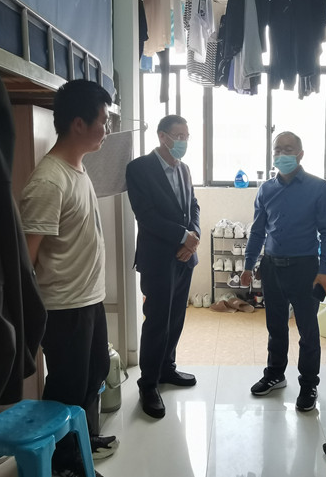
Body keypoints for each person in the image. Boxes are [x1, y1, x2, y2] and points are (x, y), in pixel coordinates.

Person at [20, 79, 118, 477]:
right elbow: (26, 258)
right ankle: (64, 463)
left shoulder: (78, 167)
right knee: (67, 385)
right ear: (79, 124)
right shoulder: (48, 180)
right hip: (63, 305)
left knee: (95, 372)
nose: (107, 129)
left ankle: (83, 440)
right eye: (103, 121)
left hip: (89, 297)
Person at [240, 131, 326, 411]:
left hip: (305, 268)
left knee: (308, 330)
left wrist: (324, 269)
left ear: (300, 154)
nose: (282, 154)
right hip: (271, 267)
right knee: (275, 325)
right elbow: (258, 231)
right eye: (277, 150)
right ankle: (275, 374)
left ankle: (308, 385)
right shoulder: (266, 190)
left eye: (288, 149)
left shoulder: (318, 188)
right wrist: (248, 265)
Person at [125, 114, 201, 420]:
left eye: (186, 136)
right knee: (157, 321)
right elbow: (146, 215)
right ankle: (148, 384)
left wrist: (193, 238)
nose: (183, 141)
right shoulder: (139, 168)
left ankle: (167, 368)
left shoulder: (184, 169)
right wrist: (184, 237)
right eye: (178, 135)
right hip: (158, 259)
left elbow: (193, 206)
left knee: (177, 317)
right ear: (162, 136)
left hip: (185, 257)